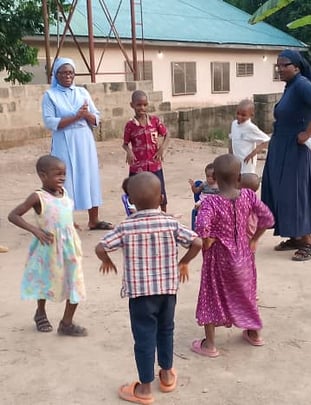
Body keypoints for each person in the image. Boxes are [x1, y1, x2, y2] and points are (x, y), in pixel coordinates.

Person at [95, 172, 202, 403]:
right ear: (161, 197)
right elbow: (197, 242)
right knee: (166, 330)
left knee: (144, 338)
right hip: (167, 291)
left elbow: (101, 247)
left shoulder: (126, 226)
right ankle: (166, 375)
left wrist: (107, 260)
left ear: (131, 201)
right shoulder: (170, 222)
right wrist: (184, 262)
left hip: (141, 295)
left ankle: (144, 389)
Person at [191, 154, 274, 357]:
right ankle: (254, 334)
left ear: (216, 179)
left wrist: (209, 239)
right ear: (239, 178)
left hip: (218, 260)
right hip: (244, 256)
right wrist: (254, 239)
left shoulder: (211, 203)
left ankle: (210, 345)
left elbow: (201, 227)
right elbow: (268, 218)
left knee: (211, 296)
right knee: (247, 292)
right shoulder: (248, 195)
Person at [261, 49, 311, 261]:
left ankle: (309, 242)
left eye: (285, 65)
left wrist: (307, 133)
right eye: (278, 65)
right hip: (283, 147)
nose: (280, 68)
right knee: (281, 191)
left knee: (295, 193)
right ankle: (295, 236)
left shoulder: (301, 84)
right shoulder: (291, 87)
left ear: (297, 67)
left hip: (296, 151)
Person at [8, 155, 87, 336]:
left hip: (69, 247)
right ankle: (40, 313)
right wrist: (35, 230)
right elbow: (13, 215)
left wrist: (70, 224)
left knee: (75, 281)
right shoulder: (38, 197)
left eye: (64, 174)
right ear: (43, 176)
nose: (62, 178)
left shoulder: (64, 193)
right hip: (48, 247)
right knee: (45, 280)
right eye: (57, 174)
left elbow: (63, 212)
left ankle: (66, 323)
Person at [42, 57, 113, 231]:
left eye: (71, 72)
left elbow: (96, 117)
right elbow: (51, 122)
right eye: (63, 72)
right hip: (63, 140)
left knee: (89, 176)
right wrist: (76, 116)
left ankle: (94, 220)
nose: (67, 76)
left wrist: (86, 115)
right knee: (65, 179)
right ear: (56, 75)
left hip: (84, 139)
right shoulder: (50, 95)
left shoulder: (82, 92)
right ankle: (67, 220)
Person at [123, 90, 170, 212]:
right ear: (132, 105)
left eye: (144, 105)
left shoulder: (155, 121)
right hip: (138, 166)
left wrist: (161, 149)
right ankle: (136, 217)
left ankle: (164, 215)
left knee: (160, 191)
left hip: (154, 164)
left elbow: (167, 135)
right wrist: (129, 152)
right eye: (138, 105)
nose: (142, 108)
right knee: (136, 193)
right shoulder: (130, 126)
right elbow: (125, 144)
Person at [229, 98, 270, 192]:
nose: (239, 117)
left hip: (247, 163)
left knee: (247, 186)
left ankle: (248, 203)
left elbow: (267, 140)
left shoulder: (251, 128)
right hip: (236, 161)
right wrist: (230, 153)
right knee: (236, 184)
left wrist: (254, 153)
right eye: (238, 113)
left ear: (251, 115)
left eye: (243, 115)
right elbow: (231, 138)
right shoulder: (234, 124)